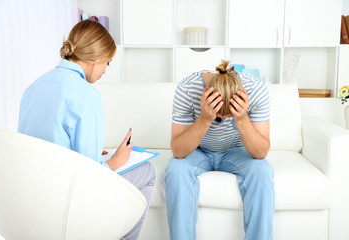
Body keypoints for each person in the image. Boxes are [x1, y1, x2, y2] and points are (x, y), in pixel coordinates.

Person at [18, 19, 155, 240]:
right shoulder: (86, 95)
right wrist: (115, 161)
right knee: (148, 171)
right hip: (69, 198)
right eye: (107, 63)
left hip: (33, 194)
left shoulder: (33, 86)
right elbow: (91, 174)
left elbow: (41, 144)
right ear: (97, 58)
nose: (105, 71)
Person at [165, 60, 275, 240]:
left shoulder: (256, 90)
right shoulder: (187, 88)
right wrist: (205, 118)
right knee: (176, 170)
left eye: (228, 116)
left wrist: (241, 118)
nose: (223, 120)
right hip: (197, 151)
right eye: (219, 117)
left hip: (236, 151)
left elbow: (261, 152)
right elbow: (178, 151)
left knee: (262, 171)